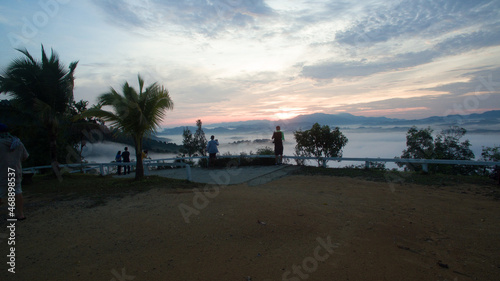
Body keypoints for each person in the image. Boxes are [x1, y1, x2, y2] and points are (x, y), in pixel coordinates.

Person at [0, 123, 29, 220]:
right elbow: (25, 156)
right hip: (16, 171)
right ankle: (20, 214)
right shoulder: (17, 142)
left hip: (2, 172)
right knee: (17, 191)